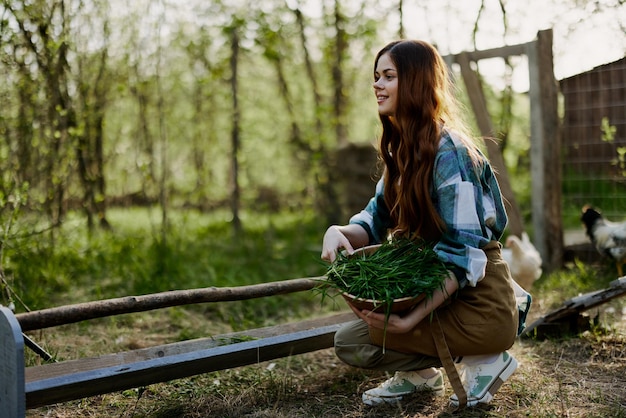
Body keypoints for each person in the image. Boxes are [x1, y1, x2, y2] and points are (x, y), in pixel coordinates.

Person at [321, 39, 520, 408]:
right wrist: (338, 232)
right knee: (353, 341)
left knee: (361, 339)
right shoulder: (403, 150)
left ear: (415, 82)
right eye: (376, 76)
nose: (377, 85)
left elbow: (462, 257)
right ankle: (421, 375)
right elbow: (374, 218)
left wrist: (411, 319)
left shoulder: (452, 154)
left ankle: (486, 360)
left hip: (479, 302)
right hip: (436, 291)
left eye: (389, 76)